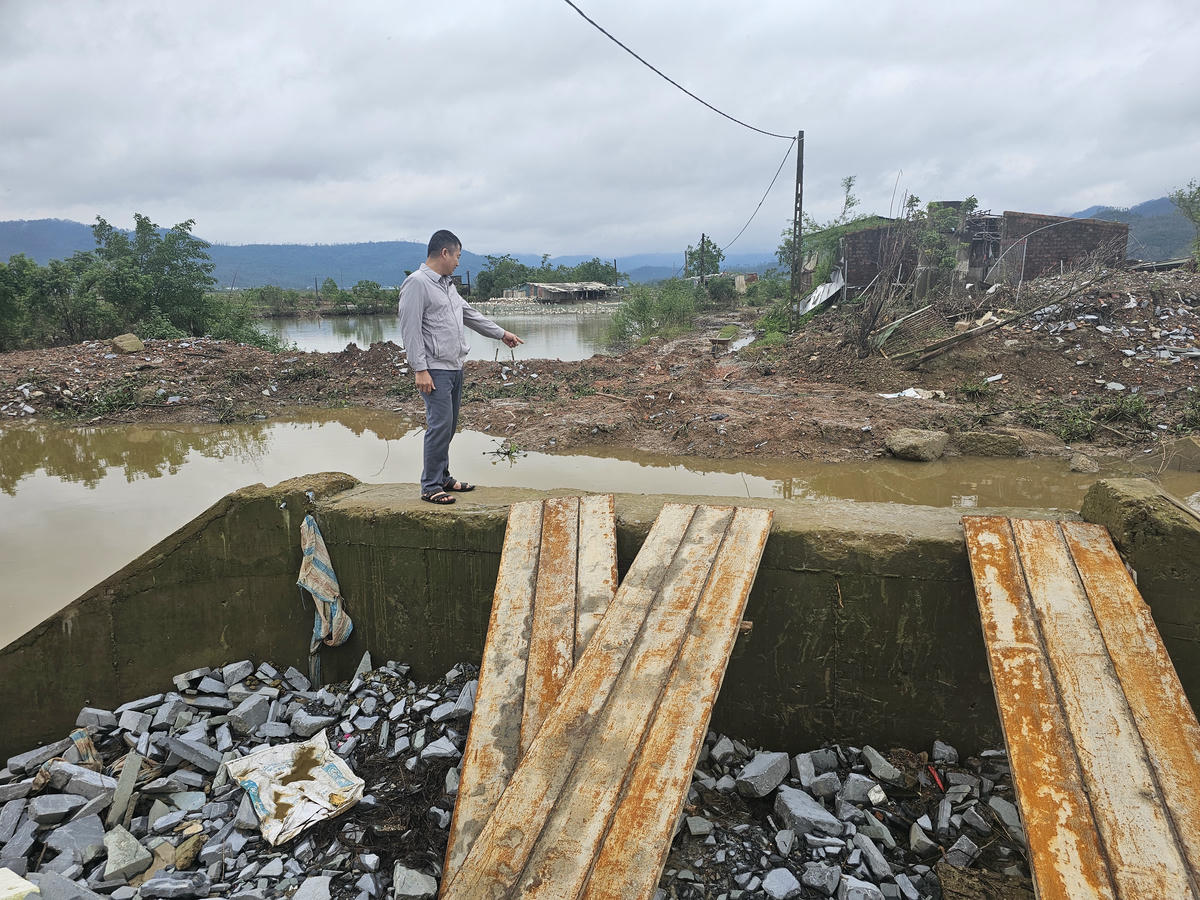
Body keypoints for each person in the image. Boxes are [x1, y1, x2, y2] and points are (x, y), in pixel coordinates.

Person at [398, 230, 523, 505]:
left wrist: (501, 333)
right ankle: (430, 486)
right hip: (434, 369)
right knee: (439, 425)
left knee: (449, 426)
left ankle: (443, 477)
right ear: (444, 253)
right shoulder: (417, 283)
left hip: (454, 367)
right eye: (457, 256)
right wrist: (420, 369)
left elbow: (469, 315)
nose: (457, 262)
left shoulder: (447, 285)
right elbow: (410, 330)